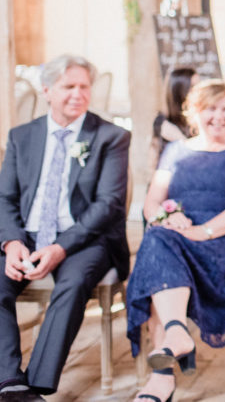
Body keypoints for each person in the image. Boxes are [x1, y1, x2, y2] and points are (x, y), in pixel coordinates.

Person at [126, 80, 225, 402]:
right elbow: (152, 204)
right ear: (194, 112)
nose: (218, 116)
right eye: (210, 108)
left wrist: (204, 231)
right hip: (178, 236)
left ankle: (162, 378)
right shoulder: (175, 151)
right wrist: (168, 217)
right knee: (158, 240)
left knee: (157, 255)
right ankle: (176, 334)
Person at [0, 55, 130, 401]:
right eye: (68, 86)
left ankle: (36, 385)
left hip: (86, 239)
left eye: (84, 86)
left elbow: (109, 204)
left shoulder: (111, 136)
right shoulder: (21, 136)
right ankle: (9, 380)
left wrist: (60, 248)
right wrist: (12, 243)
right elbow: (5, 198)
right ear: (47, 90)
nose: (78, 93)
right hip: (27, 236)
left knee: (72, 285)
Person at [150, 67, 198, 172]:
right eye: (193, 87)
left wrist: (180, 140)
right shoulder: (162, 123)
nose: (199, 91)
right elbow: (154, 163)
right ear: (179, 90)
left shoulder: (200, 118)